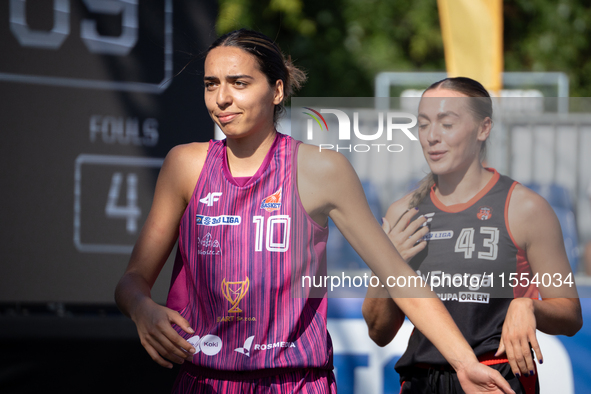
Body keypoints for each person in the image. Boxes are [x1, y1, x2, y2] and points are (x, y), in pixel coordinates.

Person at [115, 30, 515, 393]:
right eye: (211, 84)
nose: (222, 98)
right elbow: (132, 280)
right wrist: (142, 309)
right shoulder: (184, 165)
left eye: (239, 83)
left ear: (276, 90)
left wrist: (466, 364)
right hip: (202, 382)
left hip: (296, 383)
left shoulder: (322, 169)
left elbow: (400, 279)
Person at [362, 77, 583, 394]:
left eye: (447, 123)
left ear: (483, 128)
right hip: (422, 382)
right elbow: (378, 332)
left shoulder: (525, 208)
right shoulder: (403, 213)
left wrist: (528, 307)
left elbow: (570, 314)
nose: (432, 137)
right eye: (423, 125)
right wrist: (386, 265)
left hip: (496, 379)